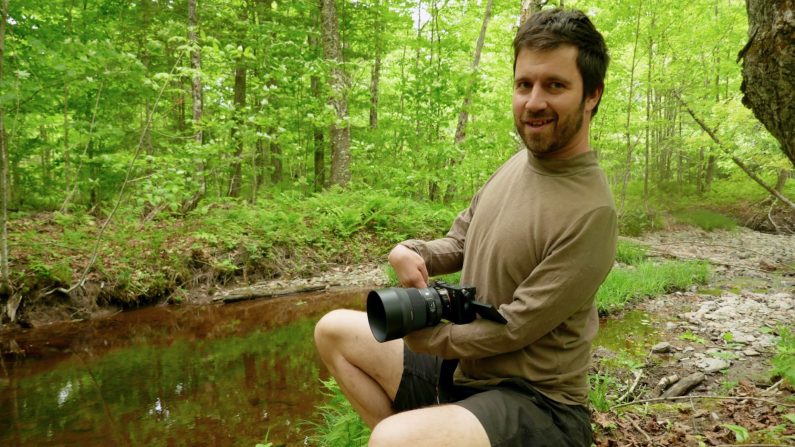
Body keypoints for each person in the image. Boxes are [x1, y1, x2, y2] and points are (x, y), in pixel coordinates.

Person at [314, 8, 617, 447]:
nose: (534, 101)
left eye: (555, 85)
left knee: (393, 440)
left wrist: (432, 338)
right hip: (467, 370)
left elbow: (514, 326)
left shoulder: (592, 211)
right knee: (334, 331)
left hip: (537, 401)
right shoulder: (517, 163)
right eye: (523, 84)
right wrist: (414, 251)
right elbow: (460, 238)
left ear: (591, 95)